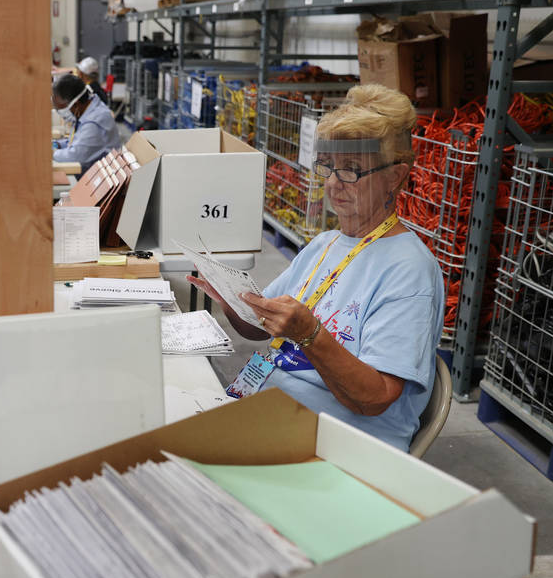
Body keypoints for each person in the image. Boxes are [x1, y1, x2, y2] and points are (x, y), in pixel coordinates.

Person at [189, 84, 444, 452]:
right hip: (276, 413)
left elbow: (375, 399)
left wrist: (310, 334)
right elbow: (262, 330)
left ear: (395, 177)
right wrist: (231, 298)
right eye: (328, 167)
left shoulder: (409, 271)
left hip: (341, 443)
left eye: (352, 171)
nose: (334, 184)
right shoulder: (326, 245)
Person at [51, 72, 120, 175]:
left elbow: (75, 157)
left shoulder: (94, 122)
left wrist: (52, 153)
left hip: (97, 178)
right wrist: (58, 144)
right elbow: (77, 142)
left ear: (76, 104)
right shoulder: (86, 110)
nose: (61, 113)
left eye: (62, 108)